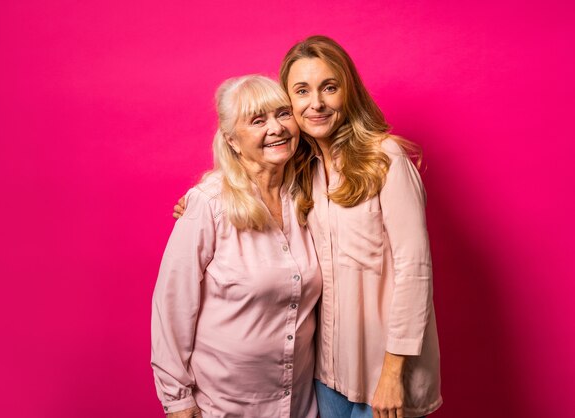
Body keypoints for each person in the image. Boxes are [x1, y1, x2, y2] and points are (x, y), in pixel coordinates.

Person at [174, 36, 442, 418]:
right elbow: (249, 171)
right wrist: (199, 201)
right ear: (290, 103)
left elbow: (414, 272)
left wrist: (392, 373)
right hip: (325, 378)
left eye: (328, 88)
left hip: (383, 378)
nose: (315, 103)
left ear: (347, 91)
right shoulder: (302, 172)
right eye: (301, 91)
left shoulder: (387, 161)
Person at [151, 75, 322, 418]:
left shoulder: (310, 193)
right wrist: (177, 400)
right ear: (232, 140)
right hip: (224, 406)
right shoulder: (209, 204)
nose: (276, 128)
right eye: (257, 121)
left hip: (299, 404)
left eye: (283, 114)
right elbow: (172, 305)